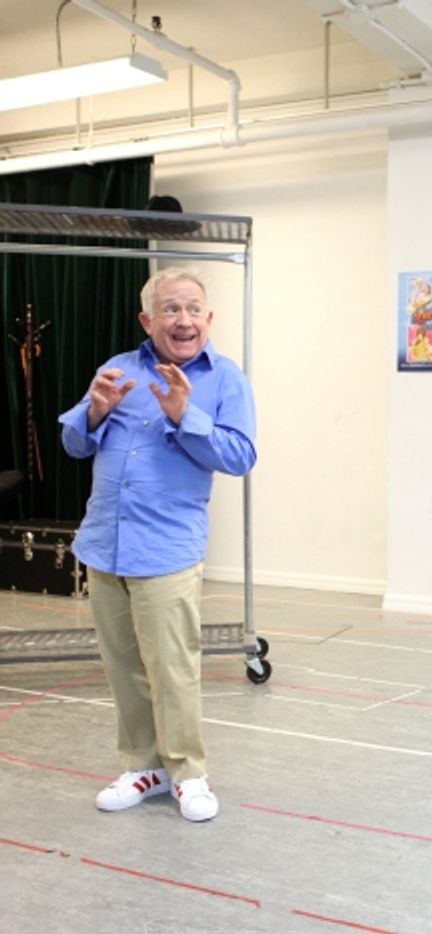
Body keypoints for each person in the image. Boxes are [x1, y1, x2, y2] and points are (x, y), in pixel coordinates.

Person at [59, 267, 257, 823]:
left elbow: (240, 456)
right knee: (123, 665)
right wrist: (95, 411)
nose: (183, 320)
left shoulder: (226, 379)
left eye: (193, 309)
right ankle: (143, 766)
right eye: (170, 309)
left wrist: (185, 415)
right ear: (147, 320)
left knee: (172, 668)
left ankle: (188, 773)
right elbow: (74, 443)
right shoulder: (118, 369)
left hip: (167, 550)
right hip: (105, 543)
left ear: (208, 318)